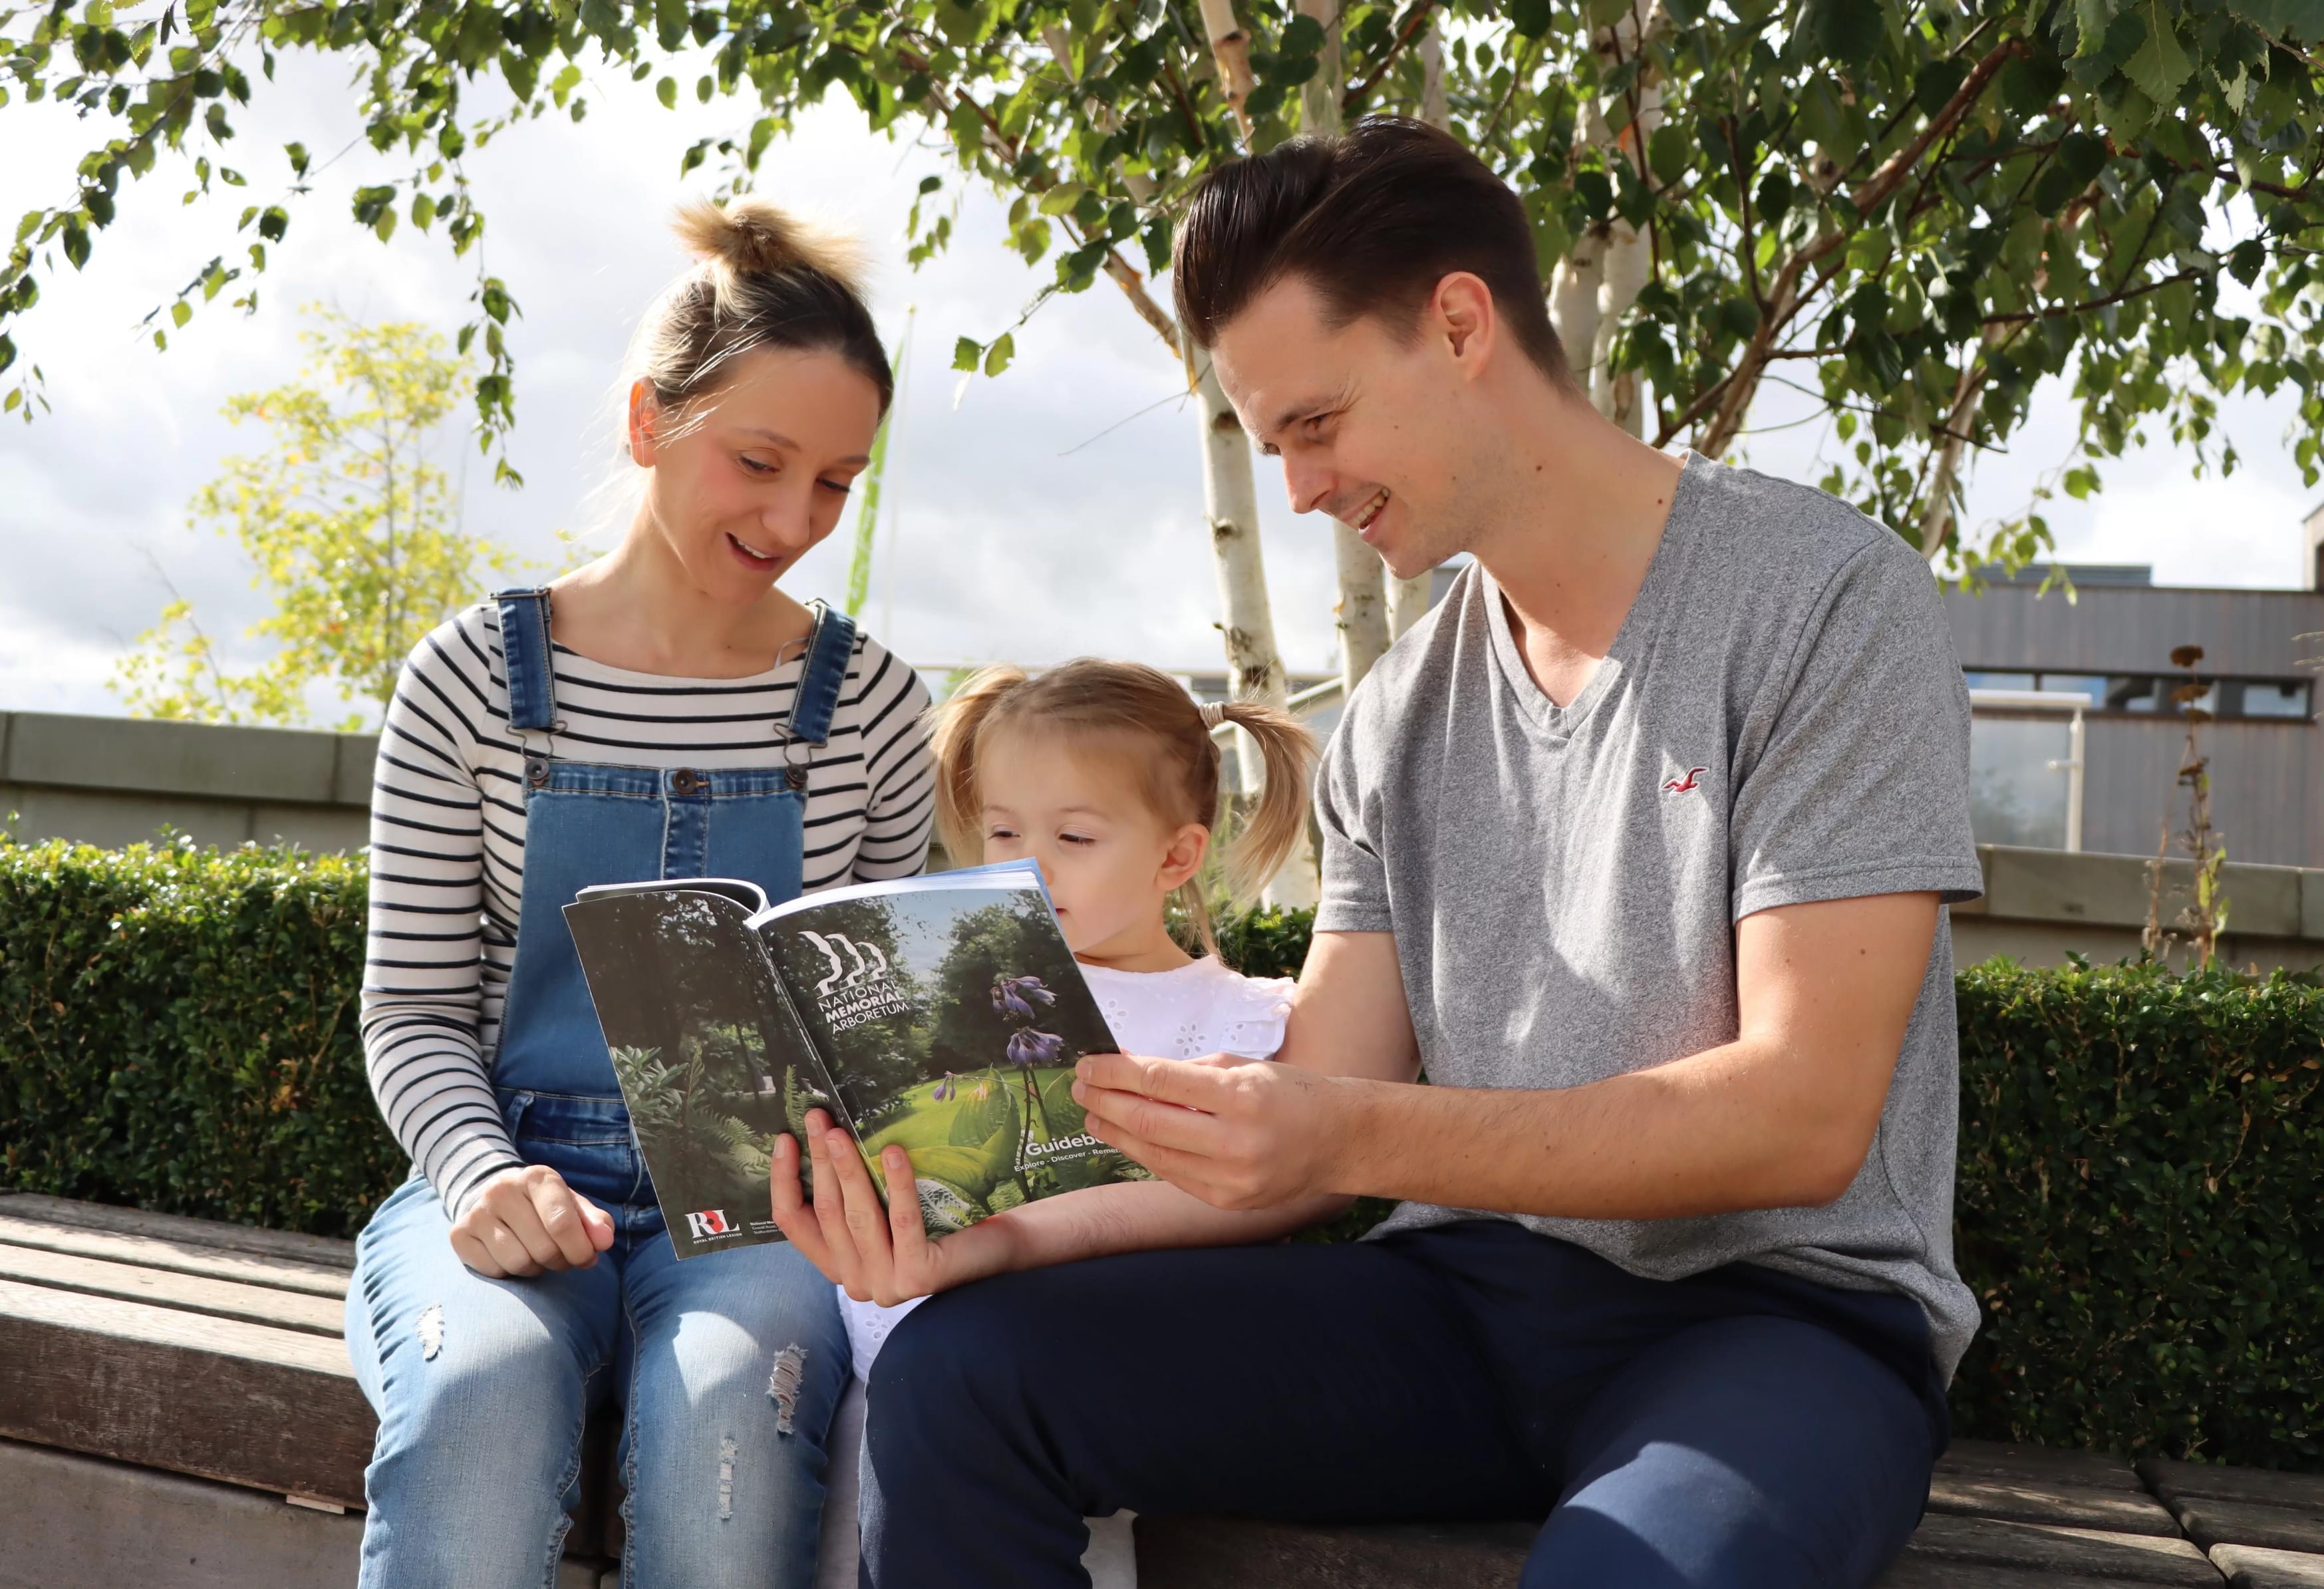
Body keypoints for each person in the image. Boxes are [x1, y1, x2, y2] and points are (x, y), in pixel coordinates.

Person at [790, 116, 1986, 1589]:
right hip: (1456, 1307)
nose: (1297, 488)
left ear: (1461, 324)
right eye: (1268, 441)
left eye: (1315, 422)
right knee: (961, 1373)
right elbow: (1305, 1133)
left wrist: (1348, 1130)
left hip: (1783, 1321)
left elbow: (1800, 1117)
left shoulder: (1823, 600)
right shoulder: (1397, 713)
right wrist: (993, 1246)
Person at [343, 196, 933, 1589]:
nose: (798, 519)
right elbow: (414, 1010)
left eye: (838, 484)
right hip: (502, 1172)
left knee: (732, 1425)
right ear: (646, 421)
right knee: (478, 1396)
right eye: (760, 461)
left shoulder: (871, 709)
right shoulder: (471, 682)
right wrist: (485, 1177)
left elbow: (881, 1039)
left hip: (762, 1207)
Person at [782, 658, 1318, 1588]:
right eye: (999, 830)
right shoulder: (949, 1000)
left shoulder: (1239, 1026)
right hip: (872, 1395)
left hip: (1063, 1414)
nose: (1025, 865)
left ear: (1176, 856)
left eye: (1073, 835)